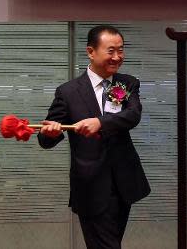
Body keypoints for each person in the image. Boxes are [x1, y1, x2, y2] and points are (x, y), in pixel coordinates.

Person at [38, 25, 150, 249]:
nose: (117, 57)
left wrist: (100, 123)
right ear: (91, 51)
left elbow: (132, 115)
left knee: (110, 242)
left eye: (121, 50)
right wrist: (49, 133)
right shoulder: (68, 92)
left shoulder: (126, 83)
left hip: (124, 183)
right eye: (111, 51)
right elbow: (47, 139)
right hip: (90, 185)